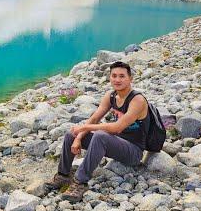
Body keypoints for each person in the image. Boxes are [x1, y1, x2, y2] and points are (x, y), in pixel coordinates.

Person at [47, 61, 150, 203]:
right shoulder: (111, 96)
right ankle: (63, 175)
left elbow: (117, 128)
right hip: (115, 143)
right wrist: (79, 137)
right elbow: (95, 118)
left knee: (100, 135)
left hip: (133, 151)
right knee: (72, 134)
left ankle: (80, 182)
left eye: (122, 76)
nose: (117, 80)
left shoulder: (137, 100)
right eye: (114, 76)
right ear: (110, 77)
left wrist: (84, 128)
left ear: (130, 78)